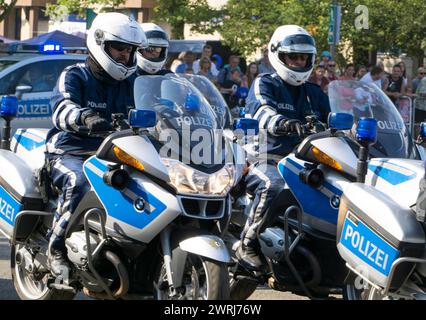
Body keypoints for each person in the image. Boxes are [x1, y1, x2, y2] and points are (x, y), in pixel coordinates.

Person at [44, 12, 146, 276]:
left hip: (117, 153)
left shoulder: (135, 83)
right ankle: (55, 249)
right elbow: (60, 109)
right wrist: (83, 116)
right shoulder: (75, 75)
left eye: (130, 50)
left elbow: (156, 109)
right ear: (100, 43)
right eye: (119, 48)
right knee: (79, 182)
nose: (125, 55)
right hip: (72, 151)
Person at [236, 25, 330, 271]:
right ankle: (247, 243)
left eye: (304, 58)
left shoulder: (314, 92)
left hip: (306, 162)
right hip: (266, 158)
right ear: (277, 54)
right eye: (293, 57)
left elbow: (333, 120)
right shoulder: (265, 82)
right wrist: (283, 122)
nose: (299, 63)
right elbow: (260, 110)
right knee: (273, 185)